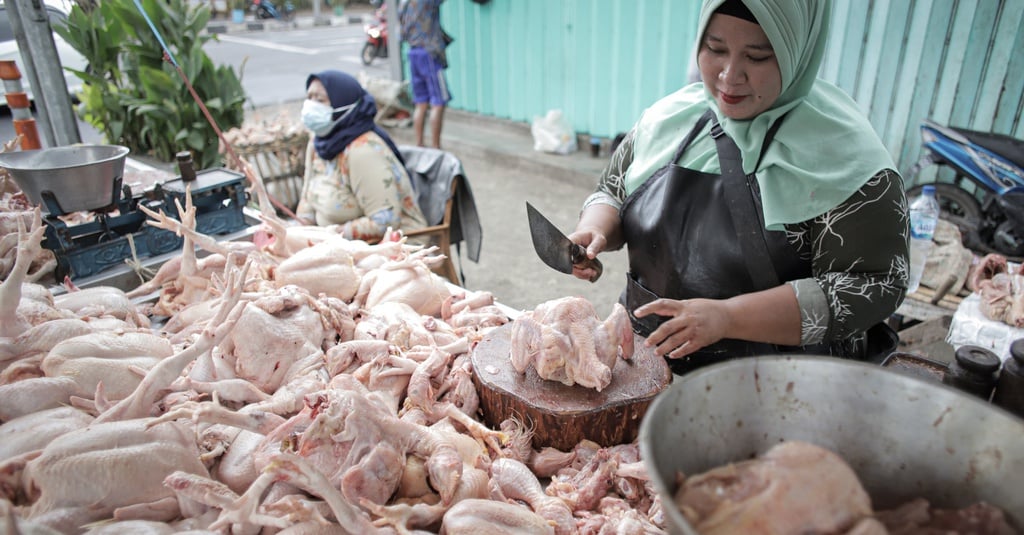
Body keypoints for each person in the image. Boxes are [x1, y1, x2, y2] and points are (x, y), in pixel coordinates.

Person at [568, 0, 909, 375]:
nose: (729, 76)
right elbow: (614, 191)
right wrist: (596, 228)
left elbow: (872, 286)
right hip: (649, 369)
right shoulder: (666, 120)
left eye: (758, 56)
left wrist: (728, 318)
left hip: (779, 393)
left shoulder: (848, 158)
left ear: (797, 50)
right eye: (715, 49)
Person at [296, 70, 427, 241]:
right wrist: (298, 228)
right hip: (338, 244)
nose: (311, 106)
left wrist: (330, 236)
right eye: (309, 97)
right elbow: (308, 198)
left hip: (391, 244)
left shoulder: (363, 151)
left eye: (320, 100)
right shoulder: (317, 142)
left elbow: (385, 221)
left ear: (343, 104)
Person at [399, 0, 451, 149]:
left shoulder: (403, 3)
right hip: (428, 54)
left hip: (413, 52)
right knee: (439, 102)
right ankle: (436, 147)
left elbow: (400, 32)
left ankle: (420, 144)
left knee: (421, 103)